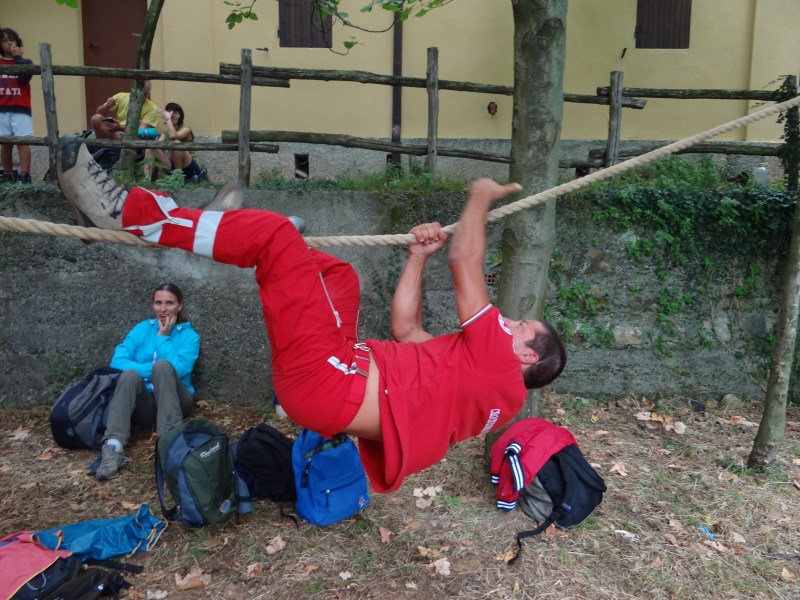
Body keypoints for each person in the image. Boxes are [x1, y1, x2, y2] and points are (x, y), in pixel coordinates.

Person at [58, 138, 566, 493]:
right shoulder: (483, 389)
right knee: (339, 275)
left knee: (275, 238)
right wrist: (416, 257)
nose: (512, 322)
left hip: (327, 380)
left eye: (522, 327)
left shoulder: (500, 366)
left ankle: (129, 213)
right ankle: (229, 230)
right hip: (338, 373)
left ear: (525, 352)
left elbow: (466, 259)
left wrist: (479, 195)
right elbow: (406, 330)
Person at [93, 282, 200, 481]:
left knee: (163, 367)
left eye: (169, 303)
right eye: (158, 303)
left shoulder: (189, 337)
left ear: (180, 306)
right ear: (152, 305)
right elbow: (117, 362)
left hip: (177, 400)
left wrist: (162, 338)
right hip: (146, 405)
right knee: (129, 375)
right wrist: (149, 371)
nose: (163, 308)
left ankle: (169, 446)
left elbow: (177, 370)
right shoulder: (142, 329)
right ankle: (113, 449)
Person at [0, 28, 34, 184]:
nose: (9, 43)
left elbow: (24, 78)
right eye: (5, 41)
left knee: (23, 142)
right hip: (2, 108)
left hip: (21, 108)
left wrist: (18, 57)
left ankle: (24, 174)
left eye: (12, 40)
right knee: (6, 143)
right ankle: (7, 174)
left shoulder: (26, 62)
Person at [143, 101, 207, 182]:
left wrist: (168, 119)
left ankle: (178, 179)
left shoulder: (186, 129)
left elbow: (174, 136)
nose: (172, 115)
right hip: (172, 166)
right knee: (150, 148)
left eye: (175, 113)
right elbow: (157, 145)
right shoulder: (165, 131)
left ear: (180, 116)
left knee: (176, 143)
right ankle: (146, 181)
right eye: (169, 112)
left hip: (190, 167)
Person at [89, 80, 159, 140]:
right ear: (133, 90)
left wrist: (120, 128)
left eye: (145, 94)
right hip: (116, 128)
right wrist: (107, 106)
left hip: (131, 134)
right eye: (138, 93)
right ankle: (105, 149)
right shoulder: (121, 96)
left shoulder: (152, 108)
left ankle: (107, 149)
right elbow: (98, 113)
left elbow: (140, 132)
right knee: (95, 119)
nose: (141, 96)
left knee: (115, 134)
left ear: (148, 93)